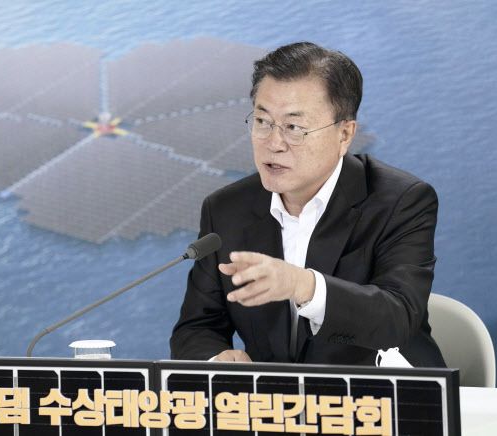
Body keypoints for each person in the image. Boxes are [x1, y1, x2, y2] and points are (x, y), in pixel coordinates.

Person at [170, 42, 446, 367]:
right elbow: (197, 327)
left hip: (387, 392)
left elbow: (397, 318)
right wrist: (217, 358)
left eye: (294, 128)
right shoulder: (226, 210)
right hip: (276, 398)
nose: (274, 143)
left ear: (345, 134)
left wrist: (303, 286)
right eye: (262, 121)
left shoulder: (401, 201)